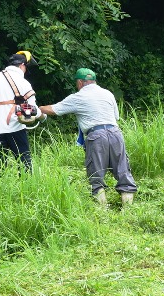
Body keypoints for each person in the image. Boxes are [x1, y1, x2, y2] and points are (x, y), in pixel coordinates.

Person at [39, 67, 138, 206]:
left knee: (96, 175)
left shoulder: (78, 97)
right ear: (93, 81)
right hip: (116, 133)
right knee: (123, 172)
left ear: (79, 82)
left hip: (96, 136)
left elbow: (54, 109)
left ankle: (103, 213)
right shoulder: (107, 93)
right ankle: (128, 211)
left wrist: (38, 109)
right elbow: (116, 116)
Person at [0, 51, 43, 171]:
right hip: (16, 128)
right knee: (25, 166)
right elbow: (32, 109)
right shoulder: (24, 83)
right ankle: (26, 188)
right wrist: (42, 116)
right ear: (22, 65)